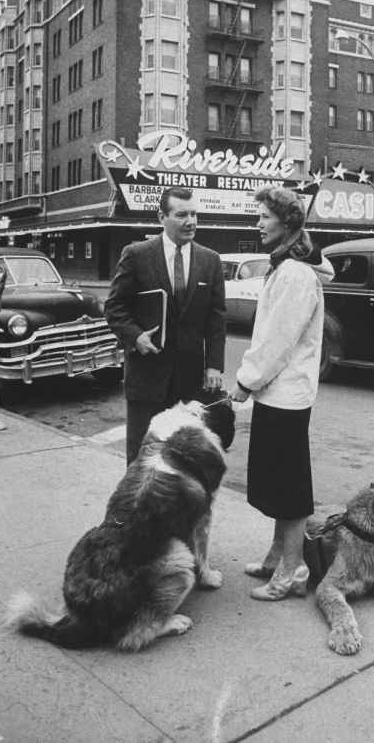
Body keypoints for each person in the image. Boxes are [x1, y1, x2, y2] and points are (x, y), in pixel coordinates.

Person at [228, 186, 333, 601]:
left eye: (264, 217)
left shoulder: (294, 274)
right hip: (280, 394)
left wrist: (243, 382)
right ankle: (277, 556)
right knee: (277, 481)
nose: (258, 223)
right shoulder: (287, 267)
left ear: (287, 223)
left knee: (289, 488)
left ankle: (293, 569)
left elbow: (276, 341)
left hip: (285, 394)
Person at [105, 186, 226, 465]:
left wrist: (214, 365)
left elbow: (216, 318)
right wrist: (135, 337)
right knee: (142, 464)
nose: (191, 221)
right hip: (147, 382)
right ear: (162, 217)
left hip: (189, 386)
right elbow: (114, 307)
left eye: (195, 214)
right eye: (182, 214)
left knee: (183, 465)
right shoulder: (137, 254)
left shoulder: (210, 260)